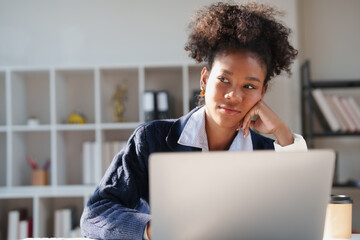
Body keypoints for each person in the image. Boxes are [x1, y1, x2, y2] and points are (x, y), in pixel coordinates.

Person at [80, 2, 307, 239]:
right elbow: (96, 214)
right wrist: (152, 229)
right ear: (205, 80)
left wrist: (283, 133)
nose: (234, 96)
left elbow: (302, 219)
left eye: (249, 86)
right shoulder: (152, 140)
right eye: (224, 79)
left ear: (263, 91)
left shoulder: (269, 153)